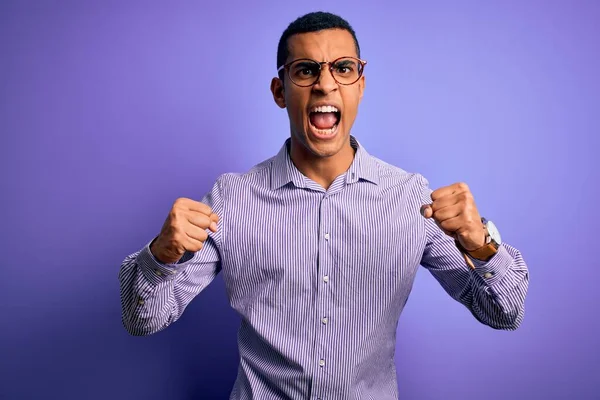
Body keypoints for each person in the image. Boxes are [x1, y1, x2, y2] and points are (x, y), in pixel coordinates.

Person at [118, 11, 529, 400]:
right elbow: (143, 318)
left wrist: (480, 244)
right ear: (280, 91)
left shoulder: (409, 198)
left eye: (343, 68)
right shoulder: (232, 198)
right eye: (306, 70)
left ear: (360, 85)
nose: (325, 84)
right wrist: (160, 255)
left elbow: (505, 312)